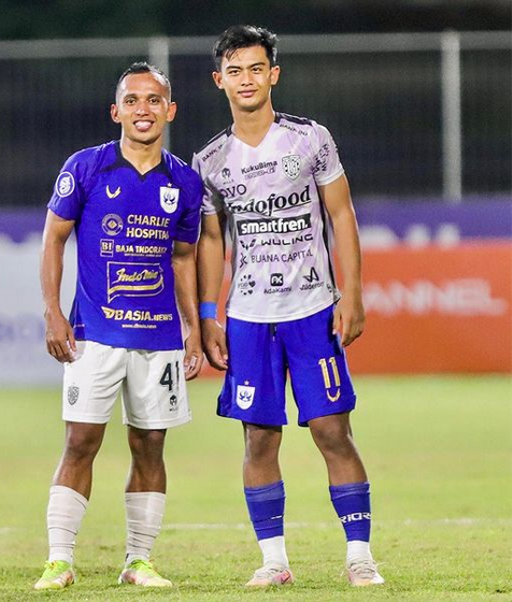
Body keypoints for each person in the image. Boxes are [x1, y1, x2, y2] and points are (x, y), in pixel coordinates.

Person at [192, 25, 384, 588]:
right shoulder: (210, 160)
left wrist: (352, 294)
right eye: (235, 70)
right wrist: (209, 315)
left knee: (331, 430)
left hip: (311, 311)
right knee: (259, 437)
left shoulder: (310, 139)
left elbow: (341, 216)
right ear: (219, 80)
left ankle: (359, 555)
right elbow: (211, 241)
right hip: (249, 317)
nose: (246, 79)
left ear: (273, 75)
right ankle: (274, 560)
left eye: (256, 68)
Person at [34, 62, 204, 591]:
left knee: (149, 446)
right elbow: (54, 240)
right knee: (80, 441)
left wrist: (194, 328)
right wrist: (54, 311)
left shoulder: (185, 182)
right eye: (132, 100)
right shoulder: (85, 168)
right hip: (95, 335)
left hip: (158, 339)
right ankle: (60, 559)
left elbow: (182, 260)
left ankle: (139, 561)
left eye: (153, 101)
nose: (143, 110)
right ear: (116, 112)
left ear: (169, 111)